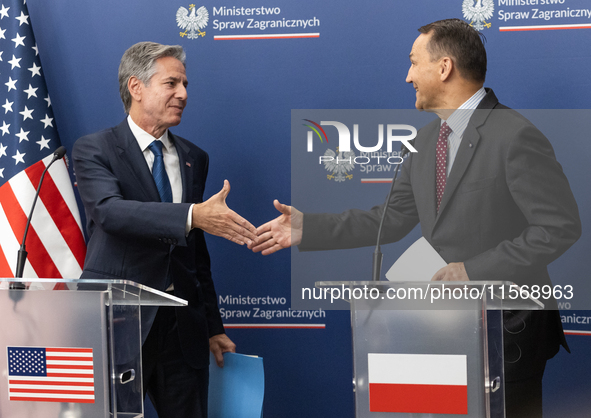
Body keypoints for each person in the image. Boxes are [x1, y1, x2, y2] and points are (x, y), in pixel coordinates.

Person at [250, 19, 581, 418]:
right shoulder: (424, 143)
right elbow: (388, 219)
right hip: (441, 333)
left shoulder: (514, 135)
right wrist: (309, 228)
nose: (407, 77)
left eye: (413, 63)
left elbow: (559, 227)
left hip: (507, 338)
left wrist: (472, 270)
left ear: (444, 68)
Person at [72, 41, 257, 417]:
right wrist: (191, 215)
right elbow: (111, 213)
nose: (184, 94)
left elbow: (195, 252)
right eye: (171, 83)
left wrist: (212, 326)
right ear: (136, 88)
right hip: (118, 324)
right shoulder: (95, 149)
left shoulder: (194, 158)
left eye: (185, 85)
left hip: (182, 330)